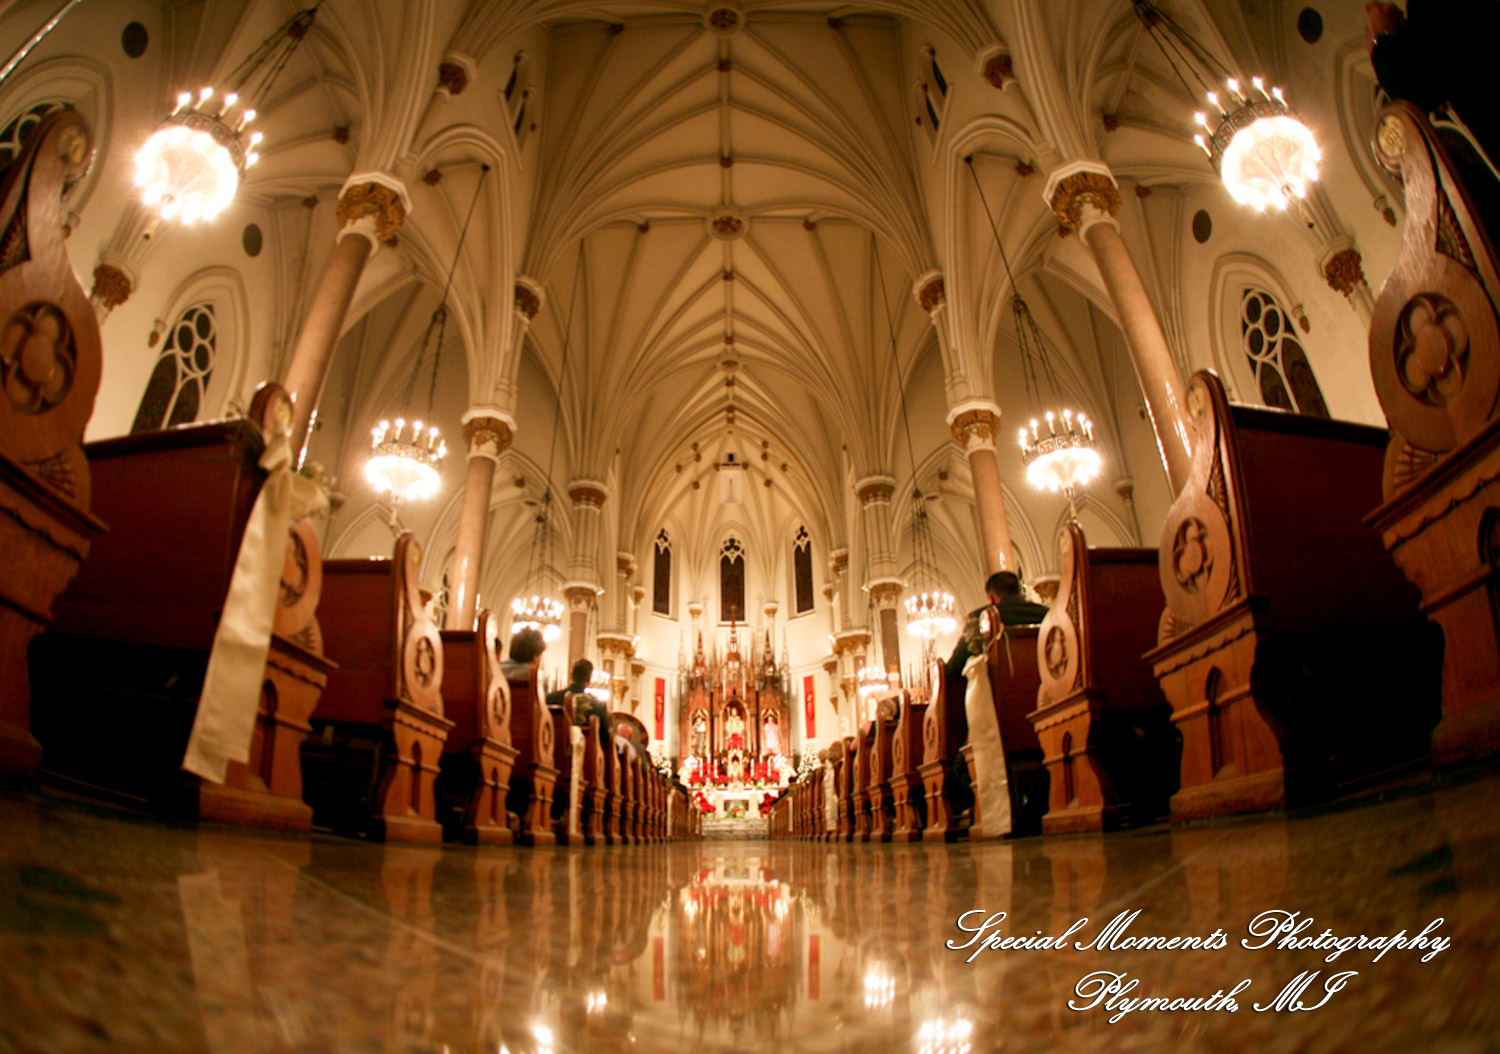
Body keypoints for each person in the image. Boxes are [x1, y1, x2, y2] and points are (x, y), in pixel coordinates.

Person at [945, 571, 1049, 680]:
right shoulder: (1045, 613)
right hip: (1046, 684)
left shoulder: (980, 618)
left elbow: (955, 667)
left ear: (991, 598)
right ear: (1020, 592)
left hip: (1001, 687)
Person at [547, 658, 610, 733]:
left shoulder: (551, 699)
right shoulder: (598, 706)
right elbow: (604, 736)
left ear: (571, 675)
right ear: (589, 679)